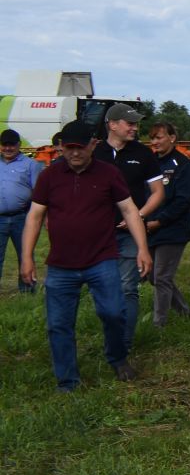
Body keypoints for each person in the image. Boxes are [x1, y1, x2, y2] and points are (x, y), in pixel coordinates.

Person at [21, 119, 149, 389]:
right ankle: (68, 381)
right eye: (69, 148)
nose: (75, 154)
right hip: (61, 265)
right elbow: (34, 217)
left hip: (101, 259)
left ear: (93, 145)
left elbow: (129, 210)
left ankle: (117, 357)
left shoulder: (108, 173)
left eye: (80, 148)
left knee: (114, 312)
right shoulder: (49, 176)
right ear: (60, 148)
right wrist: (26, 257)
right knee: (58, 325)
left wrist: (143, 249)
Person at [96, 102, 167, 341]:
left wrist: (138, 216)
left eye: (137, 123)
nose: (135, 128)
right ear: (112, 125)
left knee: (128, 287)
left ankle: (123, 344)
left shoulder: (142, 153)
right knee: (104, 287)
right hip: (100, 232)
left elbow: (157, 192)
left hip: (130, 233)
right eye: (130, 123)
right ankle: (110, 334)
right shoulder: (95, 153)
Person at [145, 121, 190, 324]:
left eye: (158, 137)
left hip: (172, 229)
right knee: (151, 274)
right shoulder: (150, 163)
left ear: (172, 138)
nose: (154, 142)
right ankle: (185, 311)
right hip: (149, 227)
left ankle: (159, 324)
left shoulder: (182, 165)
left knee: (161, 277)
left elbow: (183, 200)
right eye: (152, 138)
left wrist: (159, 220)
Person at [0, 127, 42, 294]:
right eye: (4, 145)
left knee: (25, 254)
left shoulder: (30, 165)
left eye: (12, 145)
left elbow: (38, 193)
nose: (8, 148)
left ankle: (28, 292)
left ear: (19, 145)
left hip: (22, 217)